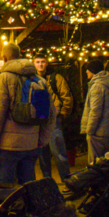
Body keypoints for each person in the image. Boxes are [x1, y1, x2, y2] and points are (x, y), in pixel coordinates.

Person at [0, 53, 56, 185]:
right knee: (28, 187)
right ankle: (27, 206)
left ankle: (8, 206)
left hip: (7, 147)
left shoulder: (3, 78)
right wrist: (41, 141)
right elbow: (51, 114)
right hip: (31, 145)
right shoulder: (40, 80)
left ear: (5, 58)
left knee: (5, 188)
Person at [34, 52, 74, 186]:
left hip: (53, 120)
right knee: (42, 155)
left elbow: (66, 96)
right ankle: (48, 183)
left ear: (47, 63)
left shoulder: (56, 78)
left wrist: (63, 114)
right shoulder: (31, 79)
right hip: (38, 120)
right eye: (38, 62)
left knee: (59, 152)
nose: (40, 65)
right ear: (34, 63)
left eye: (42, 61)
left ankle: (67, 181)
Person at [80, 58, 109, 163]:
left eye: (88, 69)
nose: (86, 71)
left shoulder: (97, 87)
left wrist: (89, 131)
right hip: (106, 129)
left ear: (93, 71)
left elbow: (95, 111)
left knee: (95, 164)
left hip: (98, 132)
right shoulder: (107, 83)